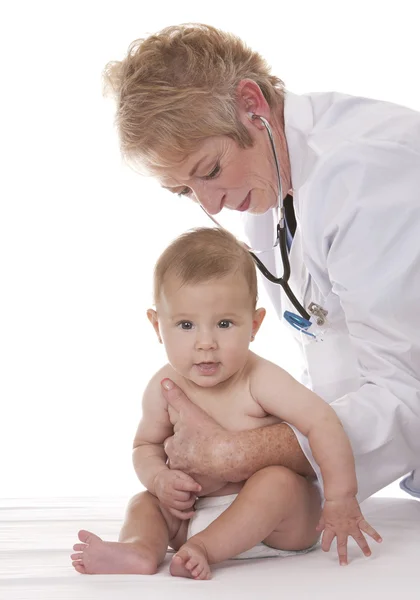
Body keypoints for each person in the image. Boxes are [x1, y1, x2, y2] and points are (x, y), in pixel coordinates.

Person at [102, 24, 420, 508]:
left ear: (252, 104)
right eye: (186, 191)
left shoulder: (363, 173)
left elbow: (408, 392)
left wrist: (237, 451)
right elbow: (338, 356)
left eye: (209, 170)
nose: (213, 204)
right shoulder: (270, 193)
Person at [70, 228, 381, 579]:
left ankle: (203, 551)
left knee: (277, 482)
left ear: (254, 324)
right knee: (144, 502)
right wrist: (159, 480)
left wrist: (341, 498)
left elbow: (322, 422)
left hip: (276, 526)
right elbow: (145, 445)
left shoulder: (259, 378)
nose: (206, 343)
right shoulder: (163, 386)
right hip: (195, 515)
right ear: (158, 326)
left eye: (224, 324)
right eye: (186, 324)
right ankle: (141, 549)